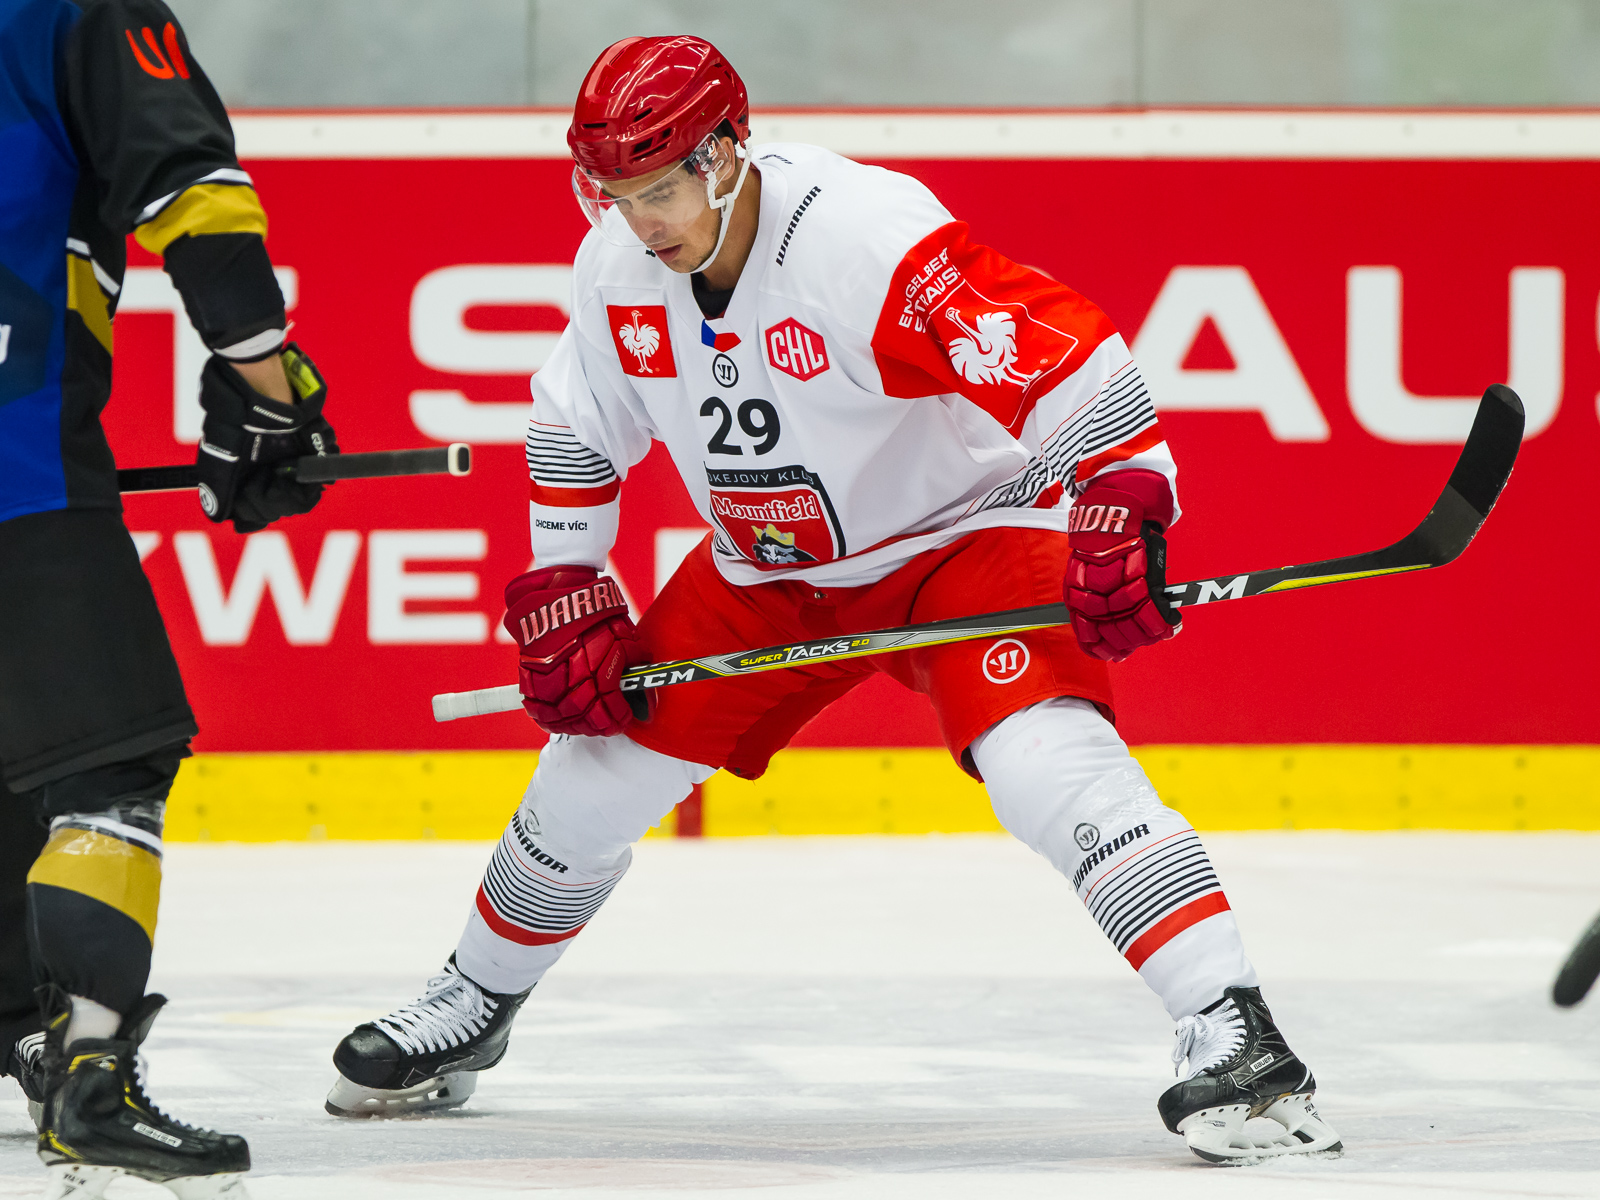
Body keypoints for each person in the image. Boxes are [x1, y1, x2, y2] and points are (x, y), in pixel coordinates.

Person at [327, 35, 1338, 1163]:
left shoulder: (862, 238)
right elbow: (575, 428)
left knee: (1044, 762)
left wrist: (1124, 499)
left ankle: (1235, 1030)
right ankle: (474, 1000)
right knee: (593, 773)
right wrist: (568, 572)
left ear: (724, 153)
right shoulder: (615, 267)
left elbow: (1067, 357)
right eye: (613, 194)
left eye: (658, 190)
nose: (639, 221)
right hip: (765, 569)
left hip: (961, 539)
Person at [0, 1, 336, 1195]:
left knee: (20, 755)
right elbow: (190, 185)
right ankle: (90, 1078)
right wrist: (266, 389)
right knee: (108, 762)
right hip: (17, 465)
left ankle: (23, 1027)